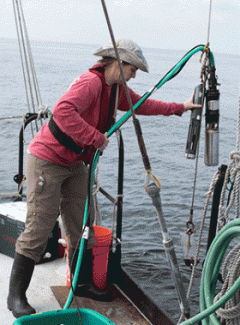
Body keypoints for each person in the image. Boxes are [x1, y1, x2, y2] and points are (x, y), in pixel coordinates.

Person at [7, 39, 201, 318]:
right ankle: (16, 296)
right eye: (133, 70)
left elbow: (141, 105)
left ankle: (81, 283)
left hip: (75, 164)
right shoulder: (91, 83)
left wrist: (179, 108)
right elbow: (62, 111)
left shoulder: (115, 90)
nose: (134, 75)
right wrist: (94, 137)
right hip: (47, 160)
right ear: (119, 64)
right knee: (39, 228)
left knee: (81, 226)